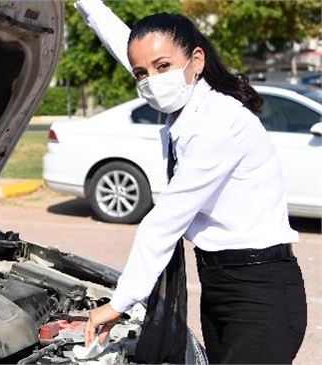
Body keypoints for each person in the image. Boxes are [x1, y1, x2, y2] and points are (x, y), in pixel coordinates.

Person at [73, 0, 307, 363]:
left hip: (262, 293)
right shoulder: (183, 104)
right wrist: (86, 5)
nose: (151, 81)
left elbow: (166, 221)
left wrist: (119, 302)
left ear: (196, 61)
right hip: (218, 285)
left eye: (162, 66)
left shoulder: (217, 123)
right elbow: (129, 46)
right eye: (141, 74)